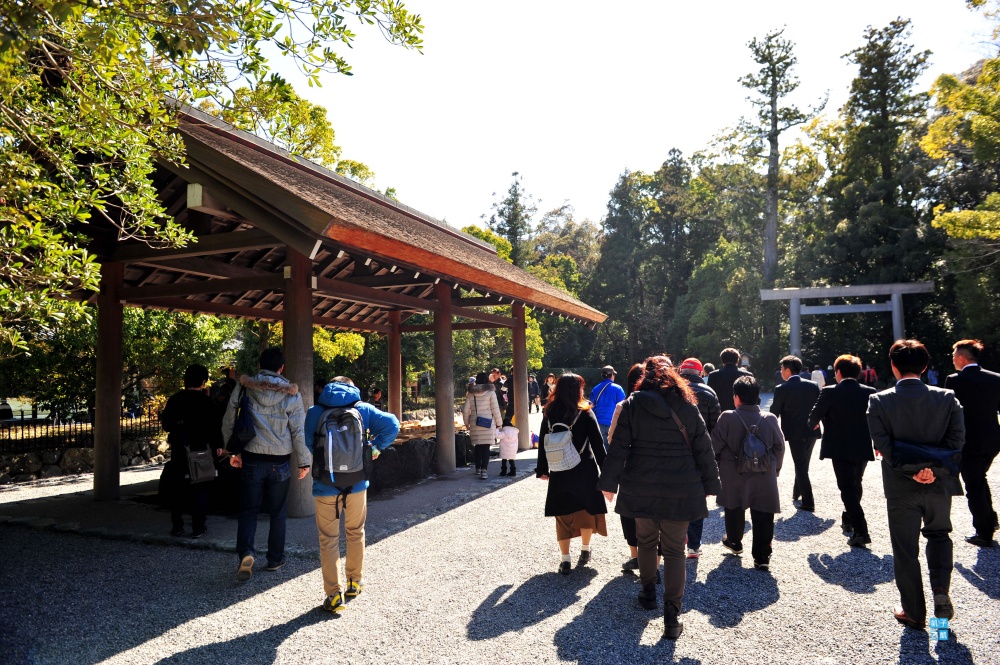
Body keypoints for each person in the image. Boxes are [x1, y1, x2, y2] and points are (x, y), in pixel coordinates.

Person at [600, 356, 720, 640]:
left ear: (646, 376)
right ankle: (672, 614)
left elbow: (619, 447)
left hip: (641, 483)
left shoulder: (633, 404)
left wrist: (609, 483)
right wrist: (711, 484)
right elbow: (703, 446)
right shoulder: (687, 404)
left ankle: (648, 592)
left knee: (646, 541)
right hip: (681, 485)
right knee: (675, 550)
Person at [867, 339, 965, 630]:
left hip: (901, 485)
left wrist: (913, 472)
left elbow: (883, 446)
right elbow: (957, 442)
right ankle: (940, 590)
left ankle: (914, 611)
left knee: (905, 548)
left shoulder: (879, 401)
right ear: (924, 367)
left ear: (893, 366)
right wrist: (931, 470)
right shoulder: (947, 398)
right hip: (939, 483)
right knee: (939, 535)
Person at [307, 376, 399, 613]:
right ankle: (354, 583)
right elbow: (393, 424)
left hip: (325, 484)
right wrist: (375, 448)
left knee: (328, 539)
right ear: (351, 387)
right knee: (355, 532)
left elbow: (308, 443)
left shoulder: (314, 412)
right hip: (357, 483)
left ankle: (333, 595)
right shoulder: (364, 409)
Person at [222, 347, 311, 582]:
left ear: (260, 366)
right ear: (281, 368)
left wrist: (232, 450)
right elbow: (298, 430)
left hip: (252, 457)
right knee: (278, 512)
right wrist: (304, 461)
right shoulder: (292, 393)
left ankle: (246, 553)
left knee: (248, 510)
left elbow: (230, 418)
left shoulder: (245, 386)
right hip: (280, 461)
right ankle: (275, 559)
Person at [536, 373, 607, 575]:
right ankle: (585, 549)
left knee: (563, 514)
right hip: (584, 469)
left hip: (559, 470)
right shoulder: (585, 413)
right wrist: (607, 473)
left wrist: (542, 469)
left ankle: (565, 559)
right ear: (577, 390)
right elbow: (598, 445)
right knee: (585, 511)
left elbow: (543, 442)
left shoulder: (550, 412)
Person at [711, 375, 785, 571]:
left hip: (734, 472)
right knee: (764, 512)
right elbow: (779, 446)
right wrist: (775, 469)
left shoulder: (727, 417)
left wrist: (717, 467)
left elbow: (714, 446)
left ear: (736, 397)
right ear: (757, 396)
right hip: (764, 473)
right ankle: (762, 556)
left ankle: (735, 542)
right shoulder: (769, 419)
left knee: (734, 507)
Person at [807, 354, 876, 547]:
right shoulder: (870, 392)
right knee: (856, 483)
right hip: (862, 444)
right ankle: (848, 519)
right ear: (858, 372)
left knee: (846, 488)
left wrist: (815, 423)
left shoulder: (830, 391)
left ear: (837, 372)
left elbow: (813, 417)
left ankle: (861, 531)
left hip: (839, 446)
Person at [945, 339, 1000, 548]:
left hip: (967, 440)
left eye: (953, 356)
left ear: (961, 358)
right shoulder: (995, 378)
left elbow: (948, 412)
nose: (953, 360)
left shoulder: (954, 380)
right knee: (979, 478)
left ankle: (984, 532)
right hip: (993, 439)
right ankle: (990, 519)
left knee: (973, 484)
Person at [160, 364, 221, 538]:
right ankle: (198, 526)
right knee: (201, 487)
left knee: (177, 488)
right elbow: (215, 427)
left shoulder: (175, 399)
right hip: (201, 450)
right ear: (203, 381)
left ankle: (177, 525)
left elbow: (166, 425)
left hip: (180, 449)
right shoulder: (207, 402)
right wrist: (218, 445)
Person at [678, 357, 721, 558]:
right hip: (701, 452)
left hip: (675, 452)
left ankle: (676, 539)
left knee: (676, 496)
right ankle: (694, 546)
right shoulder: (709, 393)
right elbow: (716, 426)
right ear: (701, 373)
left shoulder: (673, 391)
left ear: (681, 372)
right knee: (697, 497)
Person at [606, 363, 645, 572]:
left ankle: (635, 555)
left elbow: (612, 439)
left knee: (629, 510)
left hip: (630, 467)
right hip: (657, 466)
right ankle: (655, 557)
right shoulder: (667, 404)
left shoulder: (623, 406)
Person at [770, 355, 821, 512]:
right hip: (812, 430)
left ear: (787, 370)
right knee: (803, 463)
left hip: (794, 432)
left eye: (782, 369)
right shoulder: (813, 386)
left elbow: (774, 412)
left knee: (800, 465)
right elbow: (819, 408)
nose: (781, 372)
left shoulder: (781, 389)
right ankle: (796, 492)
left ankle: (808, 502)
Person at [463, 372, 503, 479]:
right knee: (486, 447)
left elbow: (466, 410)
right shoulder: (491, 393)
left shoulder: (471, 393)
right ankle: (484, 471)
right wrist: (499, 423)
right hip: (488, 423)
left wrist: (466, 422)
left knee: (478, 446)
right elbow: (495, 409)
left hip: (475, 422)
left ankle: (477, 468)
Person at [591, 365, 626, 450]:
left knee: (602, 449)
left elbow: (591, 407)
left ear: (602, 375)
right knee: (614, 449)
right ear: (612, 375)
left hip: (599, 423)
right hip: (614, 424)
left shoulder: (595, 389)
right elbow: (623, 407)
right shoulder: (618, 389)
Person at [706, 348, 753, 412]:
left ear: (722, 361)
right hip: (742, 413)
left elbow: (709, 397)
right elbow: (753, 397)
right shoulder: (747, 375)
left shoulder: (713, 375)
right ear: (737, 360)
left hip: (720, 413)